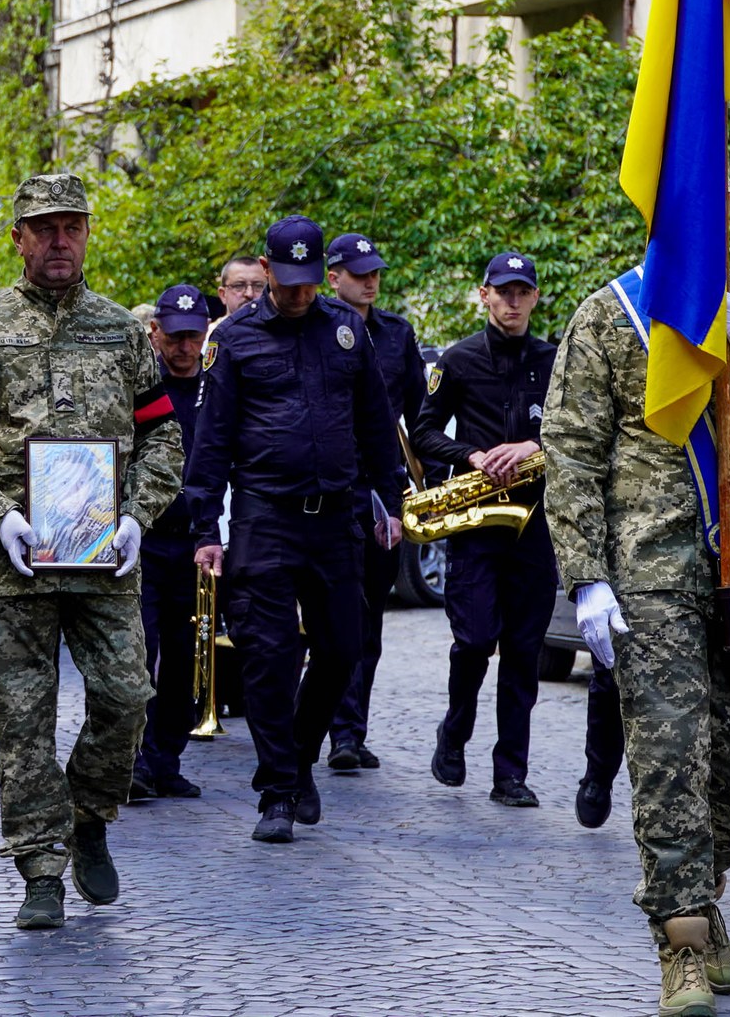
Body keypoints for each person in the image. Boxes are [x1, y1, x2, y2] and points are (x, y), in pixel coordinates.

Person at [543, 250, 730, 1017]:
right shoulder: (609, 313)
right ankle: (681, 945)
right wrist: (585, 573)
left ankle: (702, 899)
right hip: (651, 571)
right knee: (671, 758)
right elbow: (571, 451)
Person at [0, 175, 184, 928]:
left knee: (126, 695)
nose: (59, 239)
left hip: (104, 556)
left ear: (88, 233)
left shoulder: (120, 330)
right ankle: (41, 869)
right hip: (16, 561)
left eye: (72, 225)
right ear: (19, 238)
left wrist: (139, 515)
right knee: (23, 720)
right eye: (44, 228)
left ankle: (90, 812)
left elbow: (162, 428)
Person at [186, 215, 405, 845]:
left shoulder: (344, 330)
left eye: (310, 283)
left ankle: (298, 755)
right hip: (265, 518)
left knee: (341, 650)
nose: (301, 294)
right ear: (266, 269)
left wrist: (388, 500)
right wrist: (206, 525)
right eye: (289, 283)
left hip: (337, 519)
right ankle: (279, 790)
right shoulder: (235, 340)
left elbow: (374, 420)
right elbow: (213, 438)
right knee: (268, 657)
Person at [409, 253, 558, 807]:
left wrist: (534, 446)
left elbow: (578, 432)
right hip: (476, 525)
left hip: (536, 526)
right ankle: (454, 733)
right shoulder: (459, 359)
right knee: (473, 641)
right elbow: (423, 431)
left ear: (535, 297)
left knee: (523, 653)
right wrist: (469, 455)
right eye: (504, 291)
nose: (514, 300)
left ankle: (509, 774)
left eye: (523, 291)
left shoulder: (555, 359)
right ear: (484, 295)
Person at [324, 233, 428, 772]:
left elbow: (421, 414)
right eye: (357, 272)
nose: (369, 280)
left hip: (383, 494)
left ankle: (349, 731)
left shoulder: (396, 334)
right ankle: (323, 726)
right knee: (336, 619)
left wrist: (432, 483)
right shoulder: (317, 327)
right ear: (332, 276)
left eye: (375, 272)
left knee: (371, 622)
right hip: (331, 491)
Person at [129, 282, 209, 802]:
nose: (184, 347)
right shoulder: (138, 385)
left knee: (185, 657)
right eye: (175, 337)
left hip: (195, 539)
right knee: (139, 651)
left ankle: (166, 758)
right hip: (146, 538)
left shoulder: (218, 387)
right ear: (155, 332)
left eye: (193, 337)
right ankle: (131, 758)